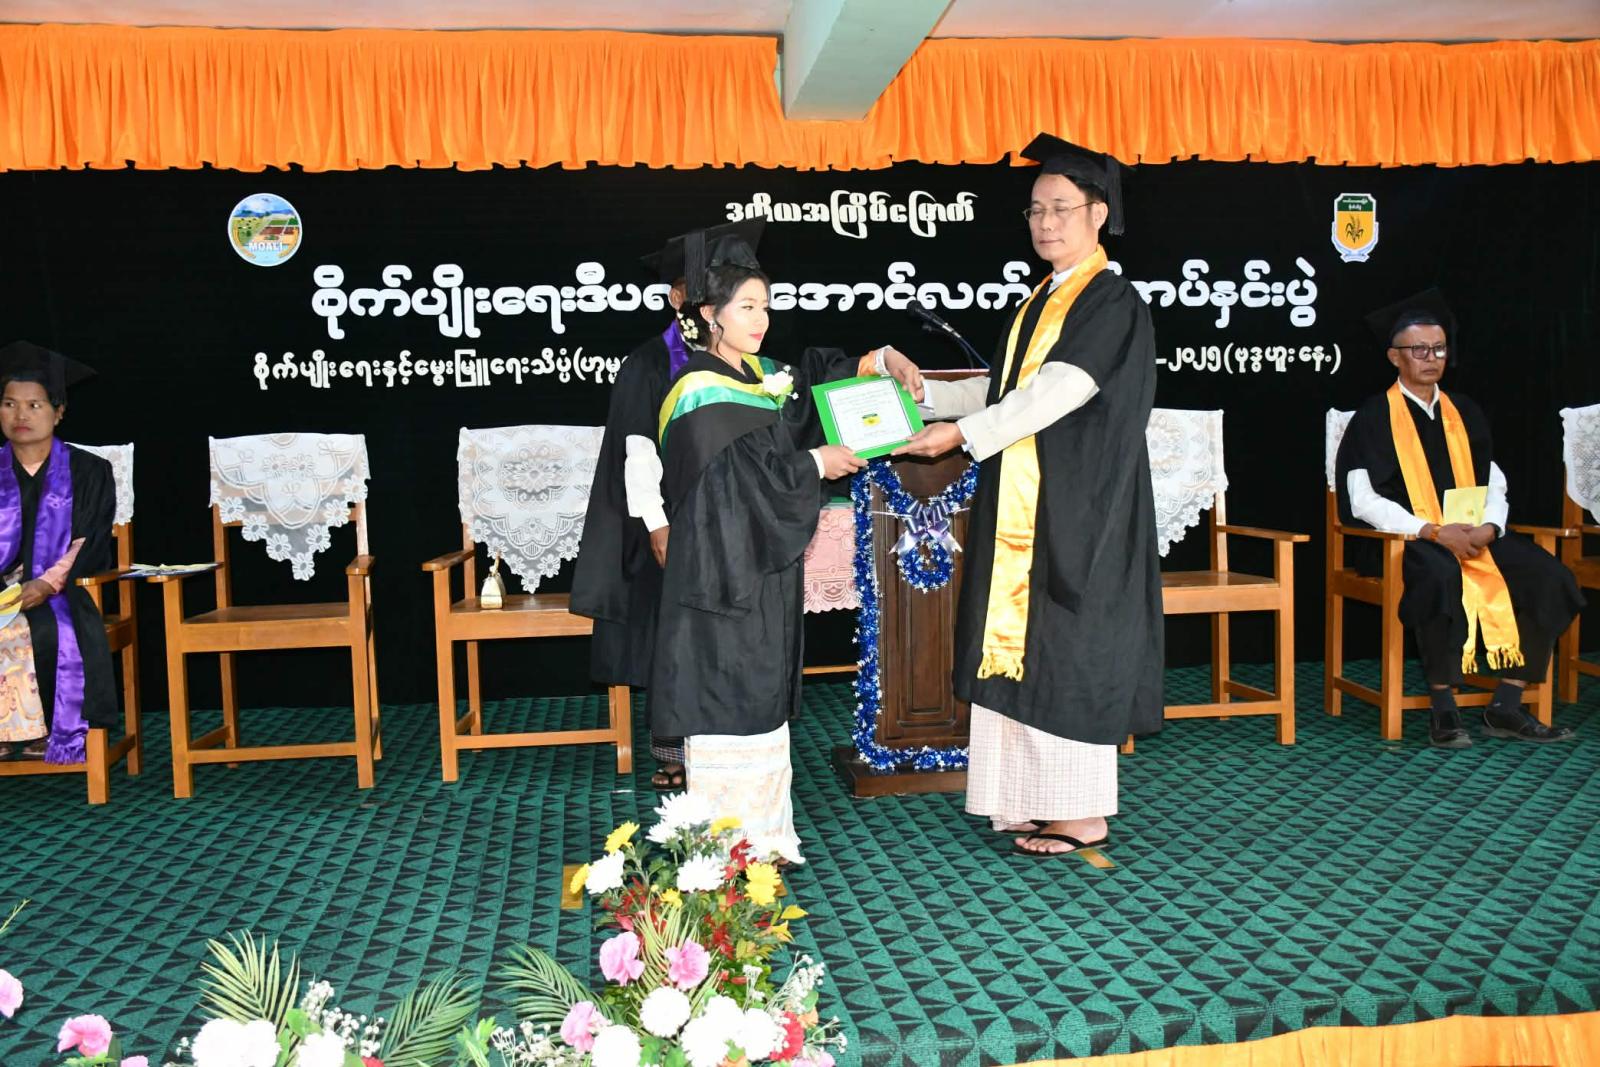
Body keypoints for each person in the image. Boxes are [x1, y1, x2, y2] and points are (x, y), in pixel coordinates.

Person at [886, 133, 1163, 858]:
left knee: (1066, 641)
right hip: (1028, 499)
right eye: (1036, 209)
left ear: (1098, 214)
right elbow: (1007, 390)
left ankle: (1079, 811)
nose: (1045, 222)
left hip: (1079, 507)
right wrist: (925, 398)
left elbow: (1059, 392)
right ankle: (1022, 799)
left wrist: (960, 435)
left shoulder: (1110, 300)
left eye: (1061, 207)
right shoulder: (1043, 299)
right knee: (1021, 642)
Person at [644, 225, 873, 863]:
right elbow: (738, 485)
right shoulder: (698, 388)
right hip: (721, 576)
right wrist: (816, 465)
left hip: (762, 572)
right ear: (709, 314)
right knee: (727, 696)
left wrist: (874, 367)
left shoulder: (760, 375)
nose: (761, 319)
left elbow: (809, 397)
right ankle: (723, 848)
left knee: (760, 697)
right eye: (746, 306)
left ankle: (766, 838)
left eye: (766, 306)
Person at [1334, 290, 1582, 747]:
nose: (1431, 358)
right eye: (1418, 350)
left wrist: (1490, 527)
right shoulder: (1373, 416)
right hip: (1405, 540)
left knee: (1550, 576)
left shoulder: (1464, 411)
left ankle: (1507, 703)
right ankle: (1444, 707)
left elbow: (1495, 481)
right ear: (1394, 357)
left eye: (1439, 349)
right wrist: (1430, 531)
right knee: (1438, 574)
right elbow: (1363, 500)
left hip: (1473, 534)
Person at [573, 220, 763, 791]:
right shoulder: (651, 363)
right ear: (679, 297)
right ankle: (673, 750)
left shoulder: (744, 361)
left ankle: (730, 740)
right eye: (698, 287)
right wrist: (657, 525)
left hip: (729, 521)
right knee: (673, 636)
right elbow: (636, 450)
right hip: (670, 520)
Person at [0, 341, 118, 763]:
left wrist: (46, 584)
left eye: (34, 405)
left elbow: (89, 539)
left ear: (59, 411)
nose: (20, 416)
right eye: (9, 404)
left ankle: (44, 732)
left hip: (62, 589)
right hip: (5, 590)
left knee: (44, 629)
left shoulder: (89, 471)